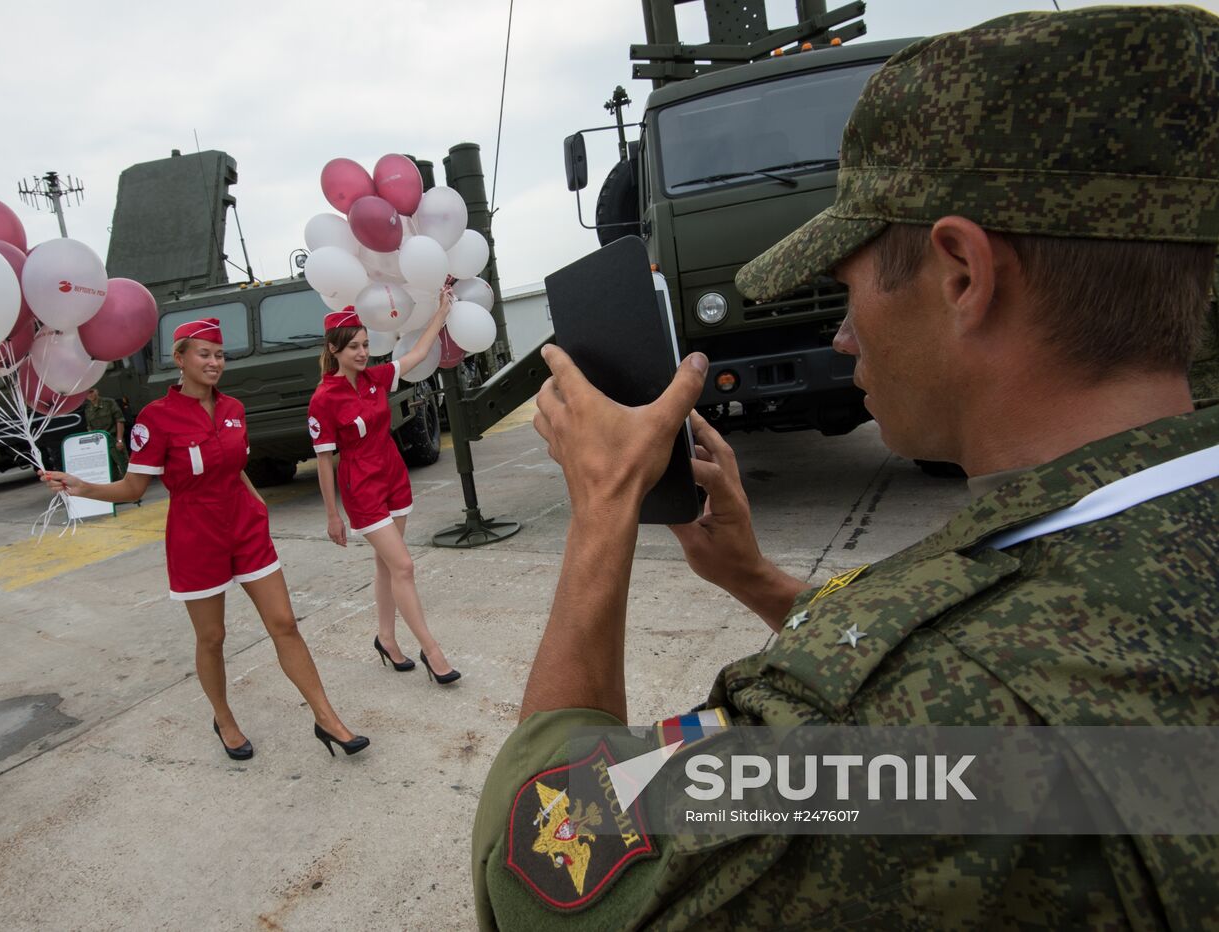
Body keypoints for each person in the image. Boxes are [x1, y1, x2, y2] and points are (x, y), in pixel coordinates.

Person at [472, 7, 1219, 929]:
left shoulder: (906, 721)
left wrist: (605, 504)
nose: (842, 330)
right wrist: (758, 580)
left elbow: (545, 849)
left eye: (850, 280)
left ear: (961, 275)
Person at [40, 317, 368, 760]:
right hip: (196, 535)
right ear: (180, 359)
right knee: (212, 637)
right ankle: (225, 719)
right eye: (204, 354)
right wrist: (82, 486)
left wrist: (259, 505)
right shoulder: (156, 419)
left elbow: (235, 468)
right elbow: (135, 489)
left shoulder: (233, 408)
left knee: (284, 624)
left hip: (245, 527)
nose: (215, 362)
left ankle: (327, 719)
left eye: (219, 355)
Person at [308, 296, 460, 684]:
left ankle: (387, 639)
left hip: (393, 476)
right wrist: (332, 514)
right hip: (362, 487)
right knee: (404, 566)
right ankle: (433, 650)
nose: (363, 352)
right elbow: (325, 461)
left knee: (387, 565)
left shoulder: (376, 379)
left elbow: (418, 353)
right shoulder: (324, 400)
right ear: (333, 349)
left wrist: (441, 313)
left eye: (364, 344)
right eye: (354, 346)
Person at [82, 387, 127, 480]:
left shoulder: (109, 403)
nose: (90, 395)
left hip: (113, 439)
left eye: (91, 391)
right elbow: (90, 428)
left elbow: (120, 420)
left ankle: (132, 489)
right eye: (87, 393)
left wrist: (119, 440)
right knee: (110, 471)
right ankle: (117, 491)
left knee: (124, 466)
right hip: (101, 443)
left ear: (97, 391)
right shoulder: (87, 408)